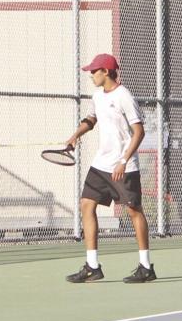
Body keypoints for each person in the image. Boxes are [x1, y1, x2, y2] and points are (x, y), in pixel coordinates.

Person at [63, 53, 156, 283]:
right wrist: (76, 135)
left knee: (134, 211)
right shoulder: (97, 96)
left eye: (94, 71)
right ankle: (92, 266)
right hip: (100, 165)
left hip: (123, 167)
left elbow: (139, 132)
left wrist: (124, 160)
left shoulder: (124, 96)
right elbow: (92, 119)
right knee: (86, 205)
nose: (91, 75)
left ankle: (146, 267)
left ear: (106, 71)